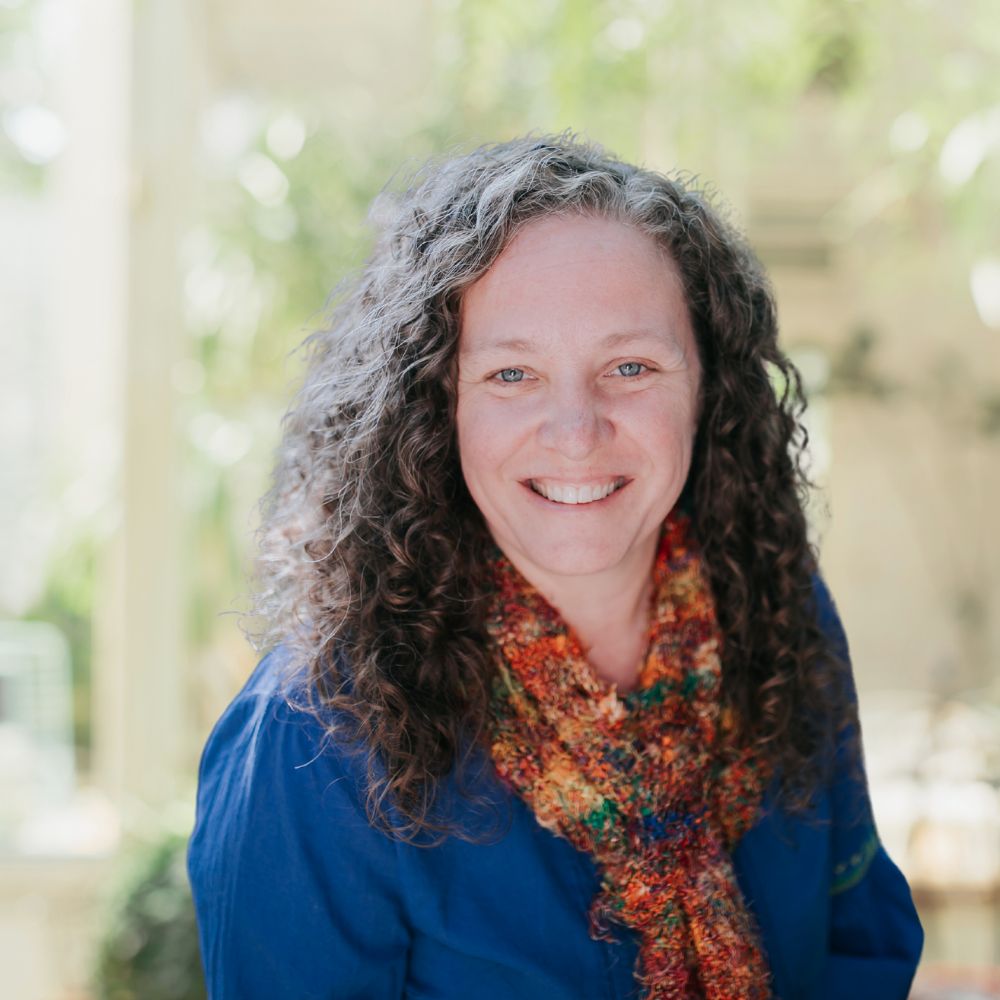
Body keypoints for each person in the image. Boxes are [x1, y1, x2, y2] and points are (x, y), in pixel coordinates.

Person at [187, 134, 923, 999]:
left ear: (707, 387)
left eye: (630, 366)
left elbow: (860, 950)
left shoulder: (780, 615)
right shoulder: (316, 736)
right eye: (511, 373)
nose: (576, 429)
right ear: (438, 403)